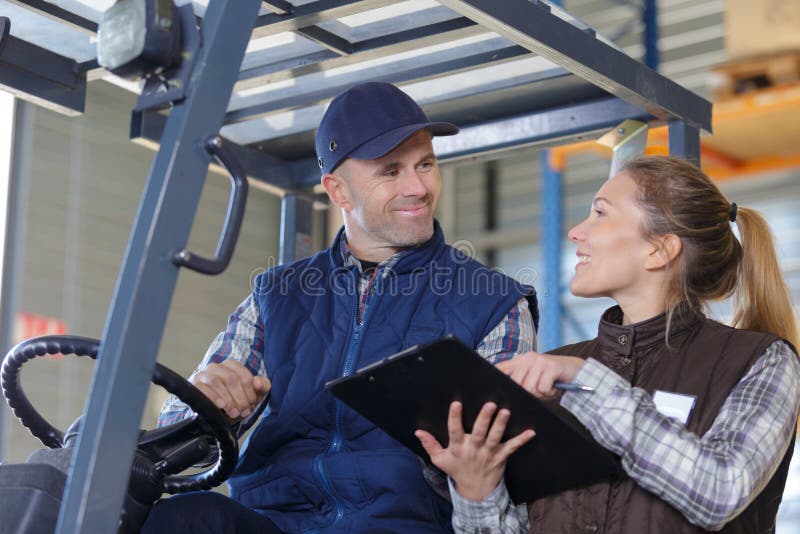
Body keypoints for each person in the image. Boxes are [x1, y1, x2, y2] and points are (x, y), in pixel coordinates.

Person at [141, 81, 538, 533]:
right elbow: (170, 445)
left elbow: (510, 480)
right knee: (178, 519)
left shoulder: (493, 302)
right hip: (276, 523)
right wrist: (207, 402)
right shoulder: (277, 295)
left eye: (425, 163)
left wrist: (468, 475)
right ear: (338, 191)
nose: (418, 187)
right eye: (391, 171)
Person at [417, 155, 800, 533]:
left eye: (600, 213)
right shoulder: (556, 369)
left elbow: (720, 491)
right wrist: (477, 491)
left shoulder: (761, 361)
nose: (576, 232)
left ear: (659, 249)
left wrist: (588, 382)